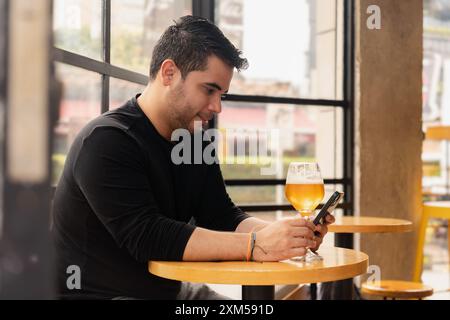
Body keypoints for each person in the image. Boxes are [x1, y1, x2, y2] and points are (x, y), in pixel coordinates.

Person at [52, 15, 334, 300]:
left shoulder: (195, 141)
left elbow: (221, 214)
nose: (217, 107)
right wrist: (256, 245)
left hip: (171, 292)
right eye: (209, 90)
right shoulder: (106, 140)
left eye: (221, 94)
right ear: (169, 73)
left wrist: (287, 236)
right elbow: (147, 236)